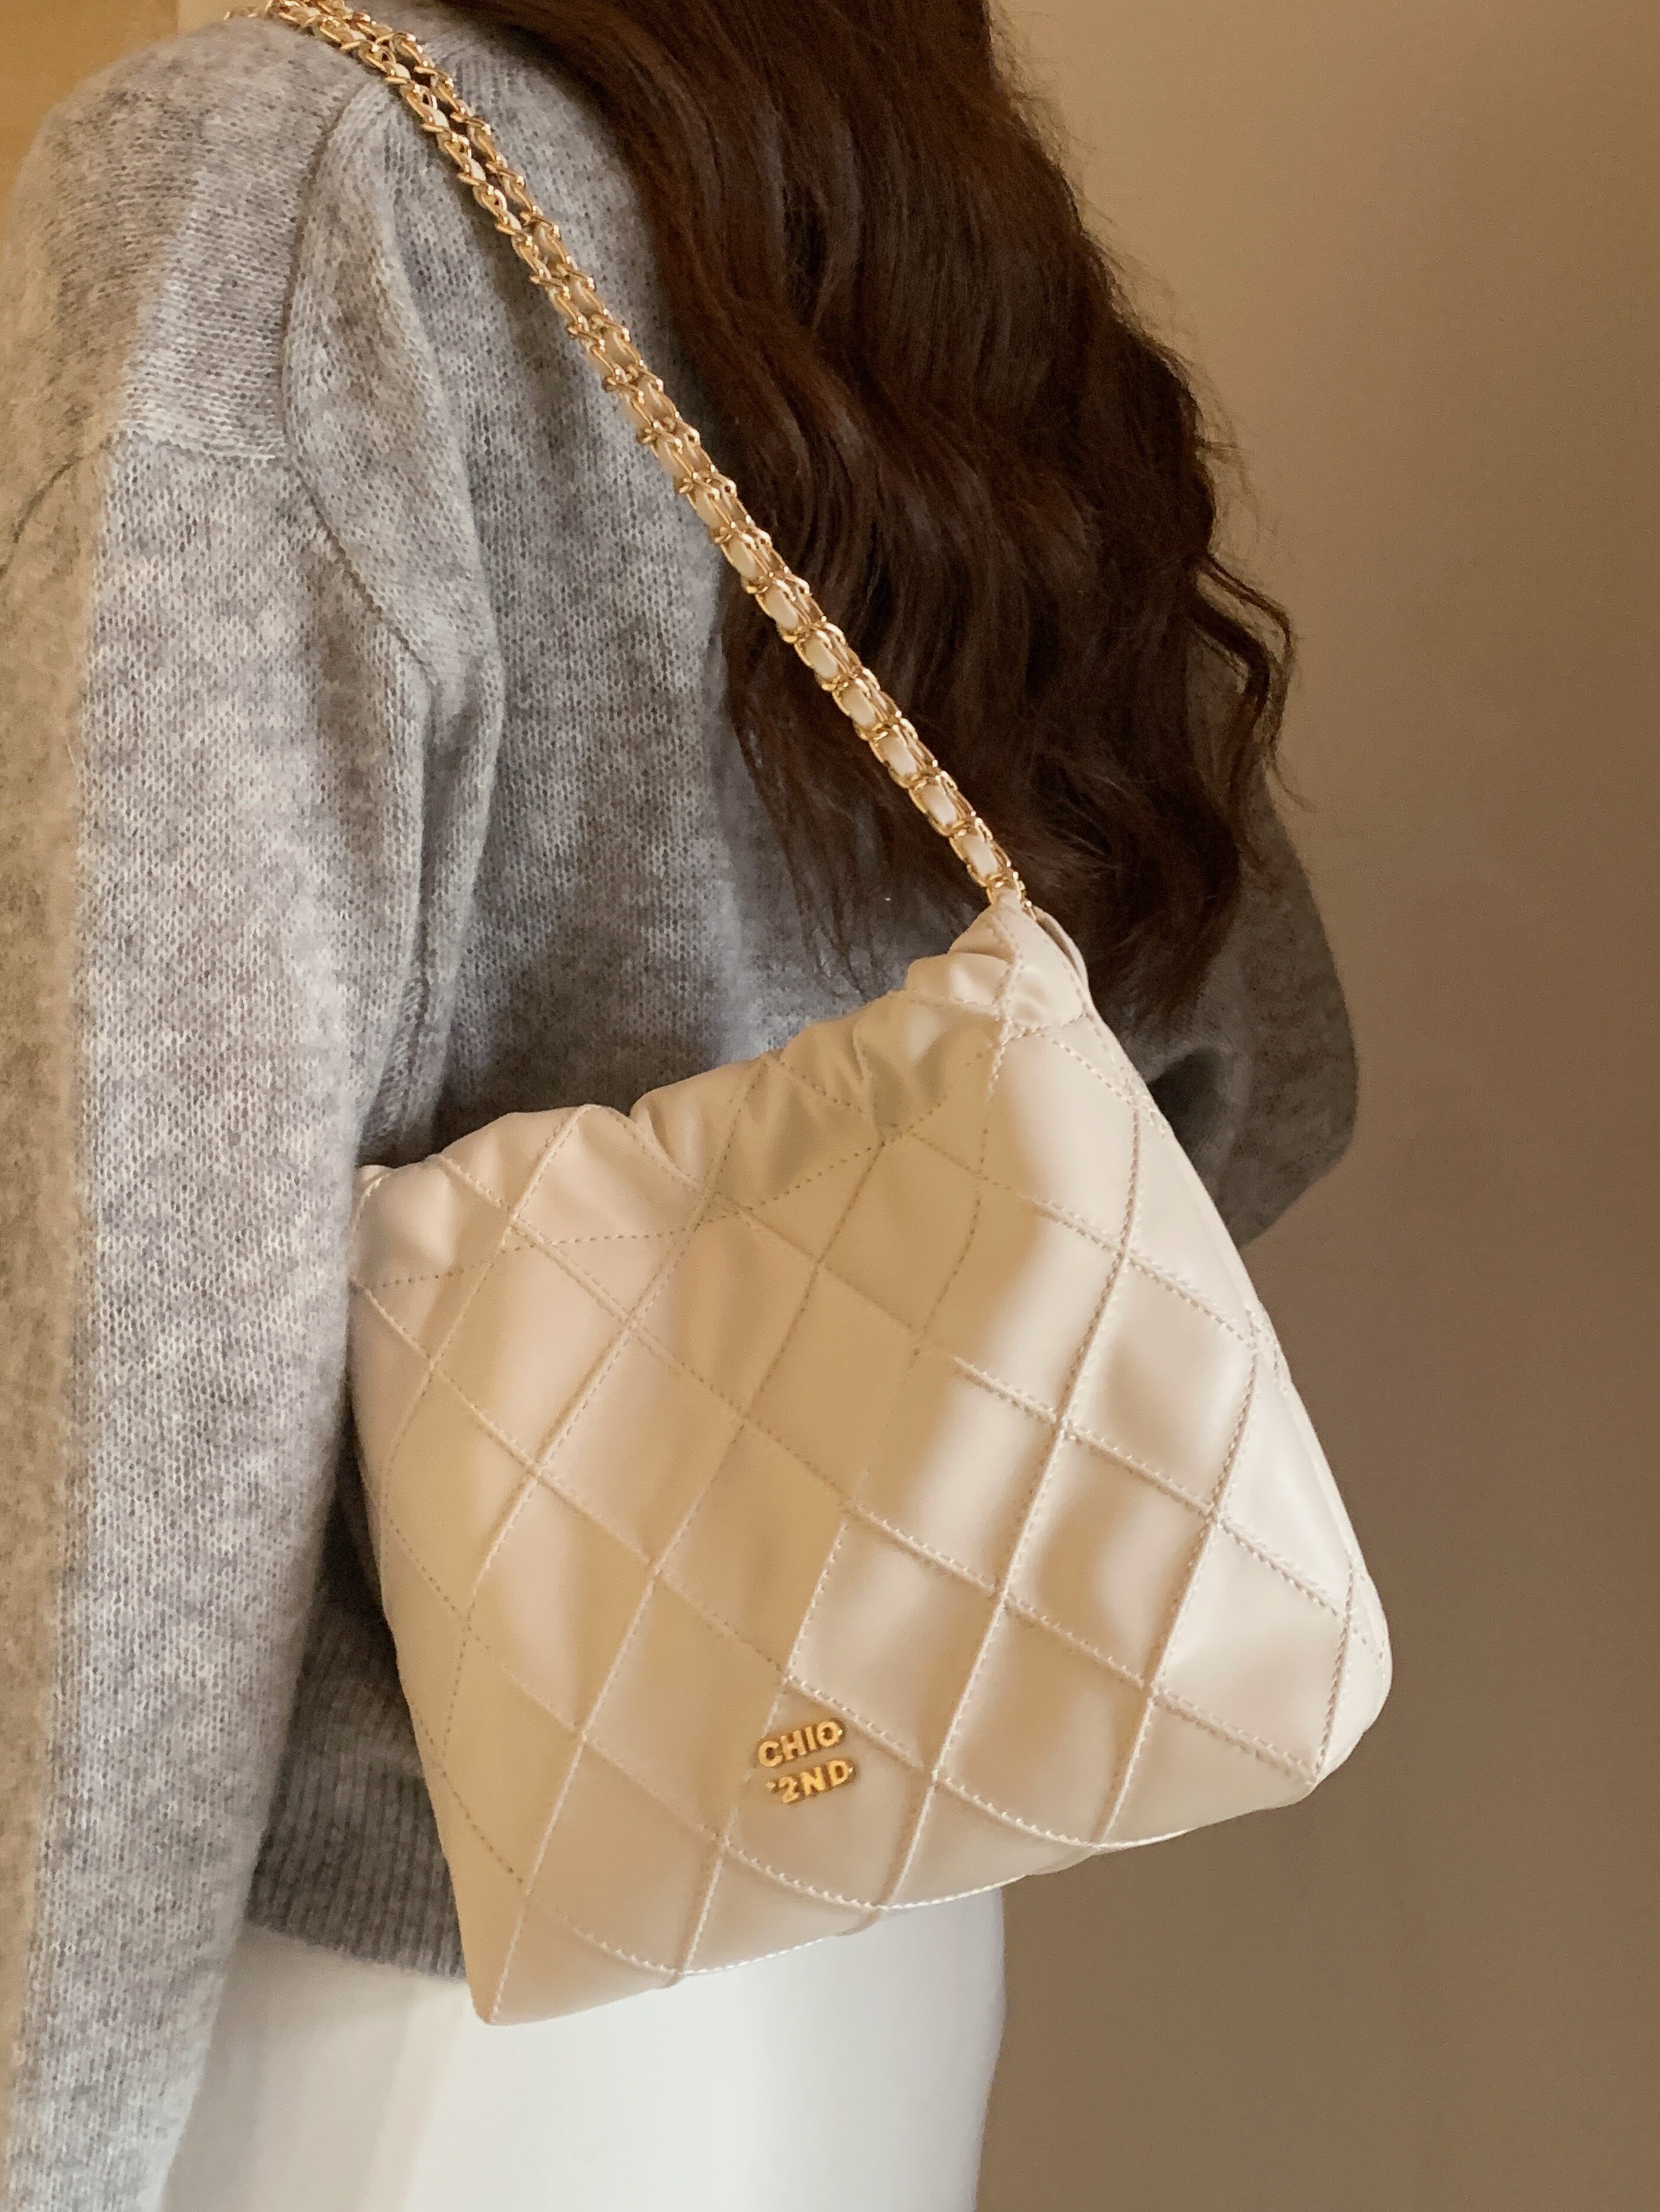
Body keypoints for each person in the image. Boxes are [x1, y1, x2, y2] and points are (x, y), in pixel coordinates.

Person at [0, 2, 1358, 2206]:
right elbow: (1259, 1073)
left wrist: (47, 2139)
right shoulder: (925, 213)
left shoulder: (270, 178)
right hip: (878, 1890)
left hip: (373, 2002)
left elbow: (151, 1342)